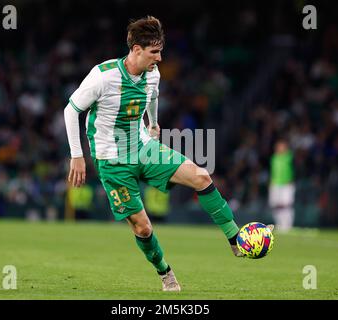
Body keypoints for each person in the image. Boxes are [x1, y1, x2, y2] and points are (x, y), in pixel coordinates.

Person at [64, 16, 273, 292]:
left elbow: (153, 96)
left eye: (161, 51)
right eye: (154, 52)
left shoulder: (153, 73)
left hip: (143, 148)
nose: (160, 58)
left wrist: (152, 123)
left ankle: (235, 241)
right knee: (143, 229)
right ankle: (165, 272)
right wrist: (77, 155)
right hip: (112, 161)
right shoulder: (103, 76)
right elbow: (71, 110)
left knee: (201, 176)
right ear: (136, 49)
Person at [268, 139, 295, 232]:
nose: (280, 148)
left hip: (286, 183)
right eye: (278, 146)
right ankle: (279, 224)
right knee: (275, 204)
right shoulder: (274, 158)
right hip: (275, 183)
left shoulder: (288, 157)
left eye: (282, 146)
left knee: (286, 204)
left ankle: (287, 225)